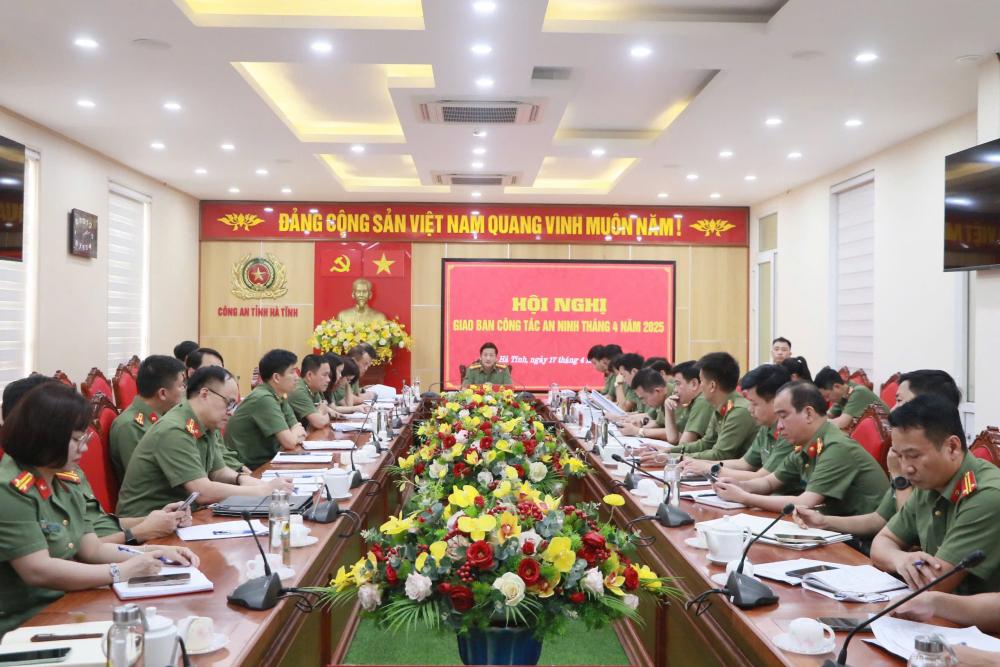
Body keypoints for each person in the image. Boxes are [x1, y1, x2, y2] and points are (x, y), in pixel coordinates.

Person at [0, 383, 197, 636]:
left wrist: (156, 553)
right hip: (26, 623)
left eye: (84, 439)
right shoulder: (10, 489)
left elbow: (92, 549)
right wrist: (119, 571)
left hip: (69, 603)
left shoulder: (63, 478)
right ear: (45, 435)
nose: (84, 448)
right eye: (76, 440)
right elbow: (38, 570)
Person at [1, 376, 192, 547]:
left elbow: (99, 523)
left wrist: (158, 520)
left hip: (115, 546)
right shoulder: (19, 485)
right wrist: (139, 533)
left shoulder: (62, 466)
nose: (83, 448)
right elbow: (75, 551)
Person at [795, 369, 963, 543]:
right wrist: (822, 522)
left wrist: (900, 478)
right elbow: (879, 519)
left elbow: (911, 533)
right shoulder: (902, 457)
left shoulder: (939, 468)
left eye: (899, 401)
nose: (892, 409)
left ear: (929, 406)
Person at [117, 367, 293, 517]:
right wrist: (261, 491)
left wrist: (242, 479)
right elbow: (202, 491)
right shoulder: (175, 429)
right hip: (147, 523)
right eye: (229, 403)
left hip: (183, 515)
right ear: (205, 394)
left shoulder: (204, 424)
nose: (231, 412)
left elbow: (218, 471)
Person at [870, 394, 1000, 595]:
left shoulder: (986, 495)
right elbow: (881, 543)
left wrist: (900, 561)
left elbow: (935, 583)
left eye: (913, 456)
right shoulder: (930, 482)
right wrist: (900, 559)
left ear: (952, 447)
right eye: (899, 456)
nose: (905, 469)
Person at [713, 381, 889, 516]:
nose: (779, 426)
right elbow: (770, 482)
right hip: (831, 526)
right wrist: (740, 486)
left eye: (783, 416)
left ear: (808, 414)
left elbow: (805, 503)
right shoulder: (806, 443)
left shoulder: (836, 446)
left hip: (859, 542)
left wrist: (744, 497)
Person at [681, 364, 798, 487]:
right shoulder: (766, 426)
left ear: (776, 402)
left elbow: (762, 477)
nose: (750, 409)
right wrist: (697, 463)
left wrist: (709, 468)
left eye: (754, 403)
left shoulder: (788, 432)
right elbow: (745, 463)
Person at [224, 349, 307, 470]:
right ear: (276, 377)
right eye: (292, 372)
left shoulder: (279, 395)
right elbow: (289, 442)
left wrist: (294, 434)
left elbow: (298, 428)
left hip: (267, 462)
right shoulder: (263, 398)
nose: (297, 377)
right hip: (248, 469)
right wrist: (295, 435)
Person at [109, 355, 187, 480]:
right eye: (181, 386)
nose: (184, 390)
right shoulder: (129, 426)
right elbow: (143, 477)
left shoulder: (160, 414)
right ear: (162, 393)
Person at [671, 352, 757, 460]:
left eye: (701, 381)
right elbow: (706, 443)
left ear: (712, 386)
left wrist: (674, 457)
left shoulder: (739, 411)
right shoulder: (721, 406)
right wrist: (668, 451)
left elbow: (720, 455)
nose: (700, 386)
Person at [814, 366, 888, 429]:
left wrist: (817, 421)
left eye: (827, 396)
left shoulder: (858, 392)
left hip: (884, 435)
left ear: (837, 386)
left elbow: (841, 423)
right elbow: (829, 415)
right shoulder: (844, 391)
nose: (827, 400)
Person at [660, 361, 714, 445]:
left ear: (694, 384)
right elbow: (673, 439)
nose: (675, 390)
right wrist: (668, 409)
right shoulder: (692, 401)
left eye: (678, 384)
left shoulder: (702, 400)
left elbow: (683, 444)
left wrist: (663, 451)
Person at [287, 354, 332, 430]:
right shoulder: (298, 390)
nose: (328, 379)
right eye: (325, 375)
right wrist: (322, 410)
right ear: (309, 375)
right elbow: (320, 422)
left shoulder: (314, 389)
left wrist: (322, 412)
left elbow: (325, 414)